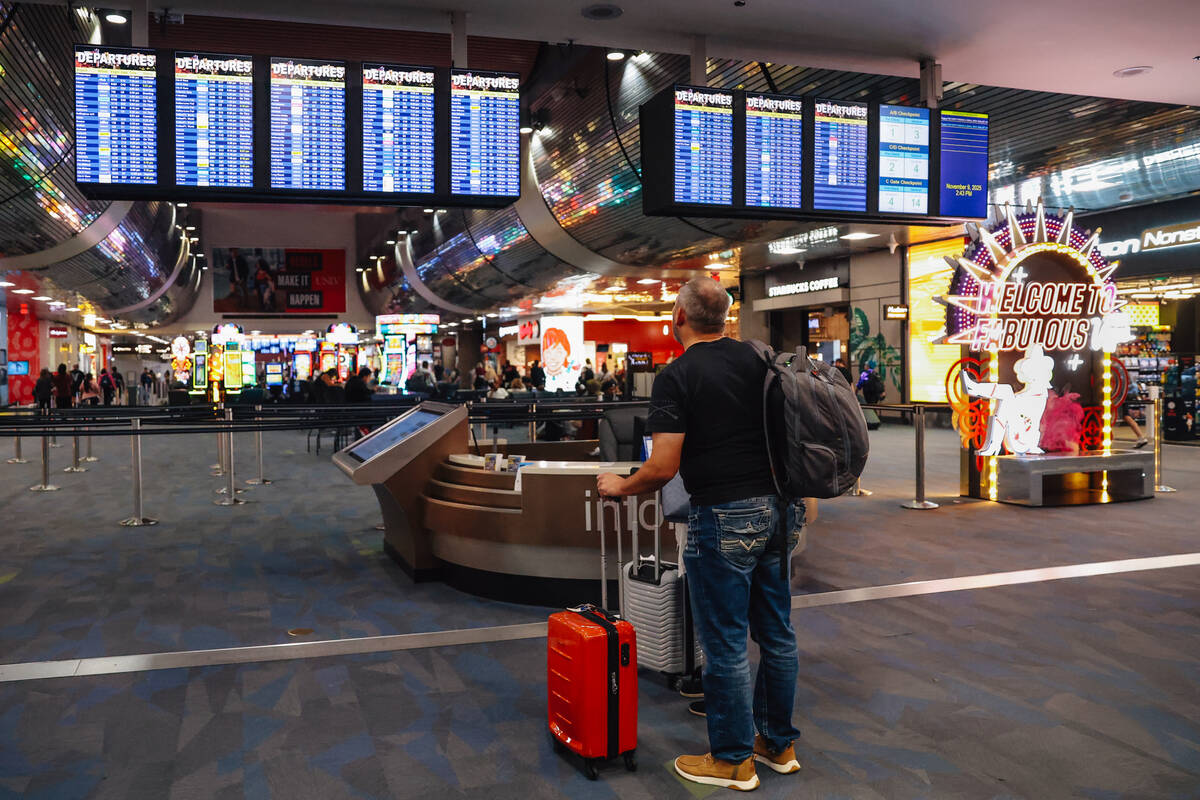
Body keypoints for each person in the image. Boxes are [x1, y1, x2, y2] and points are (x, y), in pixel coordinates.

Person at [596, 277, 803, 791]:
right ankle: (777, 744)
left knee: (727, 642)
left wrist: (620, 487)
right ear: (726, 319)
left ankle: (733, 759)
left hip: (725, 516)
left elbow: (663, 466)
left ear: (679, 318)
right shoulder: (762, 361)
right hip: (780, 511)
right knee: (777, 635)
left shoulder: (678, 375)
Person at [1121, 381, 1149, 448]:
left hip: (1117, 399)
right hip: (1121, 399)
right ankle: (1141, 437)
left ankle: (1141, 438)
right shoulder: (1128, 380)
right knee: (1127, 417)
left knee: (1127, 417)